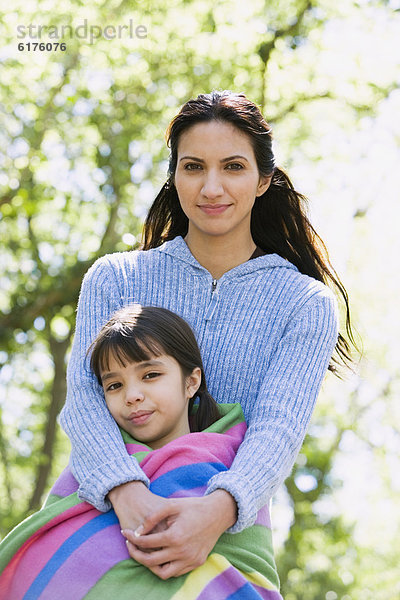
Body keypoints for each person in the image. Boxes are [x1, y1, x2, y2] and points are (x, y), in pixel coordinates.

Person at [58, 89, 356, 580]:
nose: (211, 187)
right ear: (174, 176)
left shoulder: (305, 303)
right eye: (193, 167)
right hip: (105, 521)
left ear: (263, 180)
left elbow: (277, 431)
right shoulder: (115, 278)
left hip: (229, 535)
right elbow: (86, 399)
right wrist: (126, 493)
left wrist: (216, 513)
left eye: (233, 167)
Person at [0, 305, 283, 599]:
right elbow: (60, 549)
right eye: (114, 385)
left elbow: (247, 564)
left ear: (191, 381)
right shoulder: (98, 465)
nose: (132, 395)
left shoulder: (235, 459)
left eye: (149, 375)